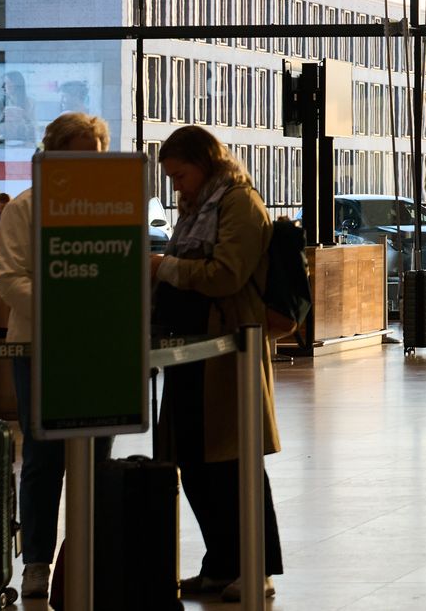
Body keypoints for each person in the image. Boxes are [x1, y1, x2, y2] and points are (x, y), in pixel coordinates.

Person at [152, 125, 284, 602]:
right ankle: (221, 564)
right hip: (190, 351)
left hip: (228, 353)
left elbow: (227, 274)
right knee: (194, 462)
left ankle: (255, 568)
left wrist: (164, 267)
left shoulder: (240, 204)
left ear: (205, 164)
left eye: (180, 175)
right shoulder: (197, 208)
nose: (176, 186)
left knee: (234, 463)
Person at [0, 112, 109, 603]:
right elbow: (11, 281)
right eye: (79, 157)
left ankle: (85, 557)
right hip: (40, 347)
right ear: (53, 155)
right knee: (43, 457)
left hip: (100, 349)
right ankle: (37, 562)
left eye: (96, 158)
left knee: (96, 459)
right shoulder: (24, 209)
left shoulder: (108, 206)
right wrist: (65, 309)